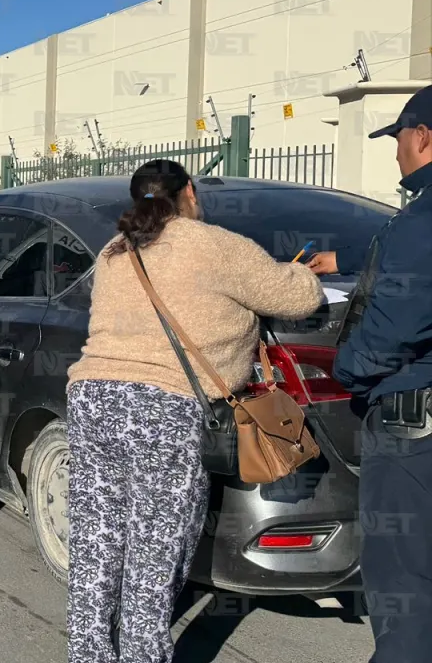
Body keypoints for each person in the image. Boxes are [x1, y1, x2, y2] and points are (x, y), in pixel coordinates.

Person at [64, 159, 323, 663]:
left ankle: (87, 654)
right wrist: (302, 271)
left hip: (92, 399)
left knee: (96, 541)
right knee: (155, 555)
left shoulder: (116, 249)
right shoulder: (215, 245)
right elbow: (295, 297)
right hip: (163, 407)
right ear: (189, 194)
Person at [326, 85, 432, 663]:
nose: (396, 153)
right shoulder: (412, 221)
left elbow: (396, 327)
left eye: (398, 140)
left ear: (423, 137)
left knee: (405, 587)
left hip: (413, 430)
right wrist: (344, 261)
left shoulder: (424, 217)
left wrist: (346, 368)